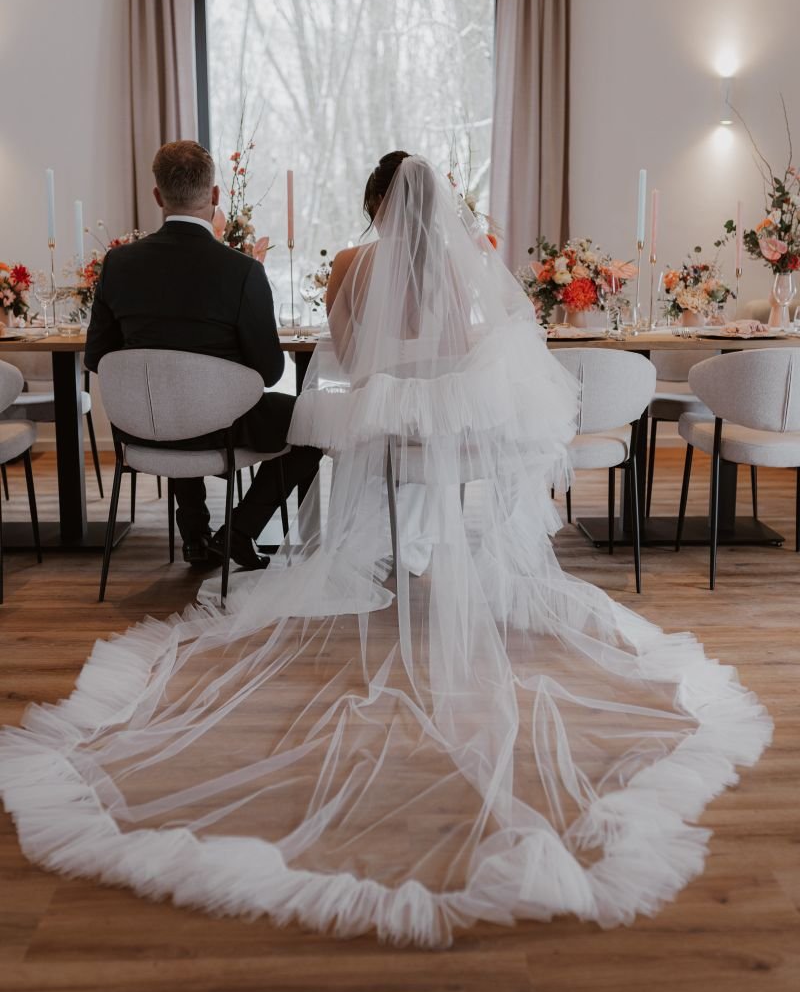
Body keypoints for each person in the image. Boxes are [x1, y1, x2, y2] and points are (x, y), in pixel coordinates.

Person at [0, 155, 771, 948]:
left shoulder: (336, 264)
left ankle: (254, 536)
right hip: (446, 430)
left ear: (375, 205)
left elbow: (347, 360)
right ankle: (376, 539)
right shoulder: (464, 269)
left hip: (309, 425)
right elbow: (460, 354)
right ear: (442, 210)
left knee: (314, 424)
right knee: (315, 427)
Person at [84, 140, 320, 569]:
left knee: (174, 396)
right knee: (315, 423)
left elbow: (96, 355)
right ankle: (239, 530)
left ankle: (194, 535)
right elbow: (269, 370)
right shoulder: (243, 271)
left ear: (157, 196)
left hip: (145, 427)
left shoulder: (118, 265)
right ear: (214, 196)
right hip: (221, 430)